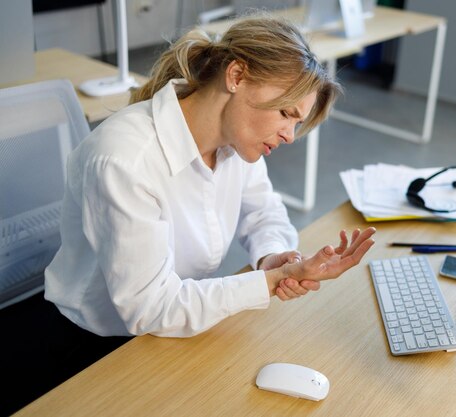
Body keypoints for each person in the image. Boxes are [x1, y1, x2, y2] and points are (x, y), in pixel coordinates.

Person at [44, 12, 376, 342]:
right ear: (236, 75)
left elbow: (264, 212)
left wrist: (271, 255)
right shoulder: (125, 161)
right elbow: (151, 308)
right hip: (102, 343)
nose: (290, 135)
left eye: (297, 123)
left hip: (178, 320)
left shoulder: (236, 142)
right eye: (286, 113)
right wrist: (272, 280)